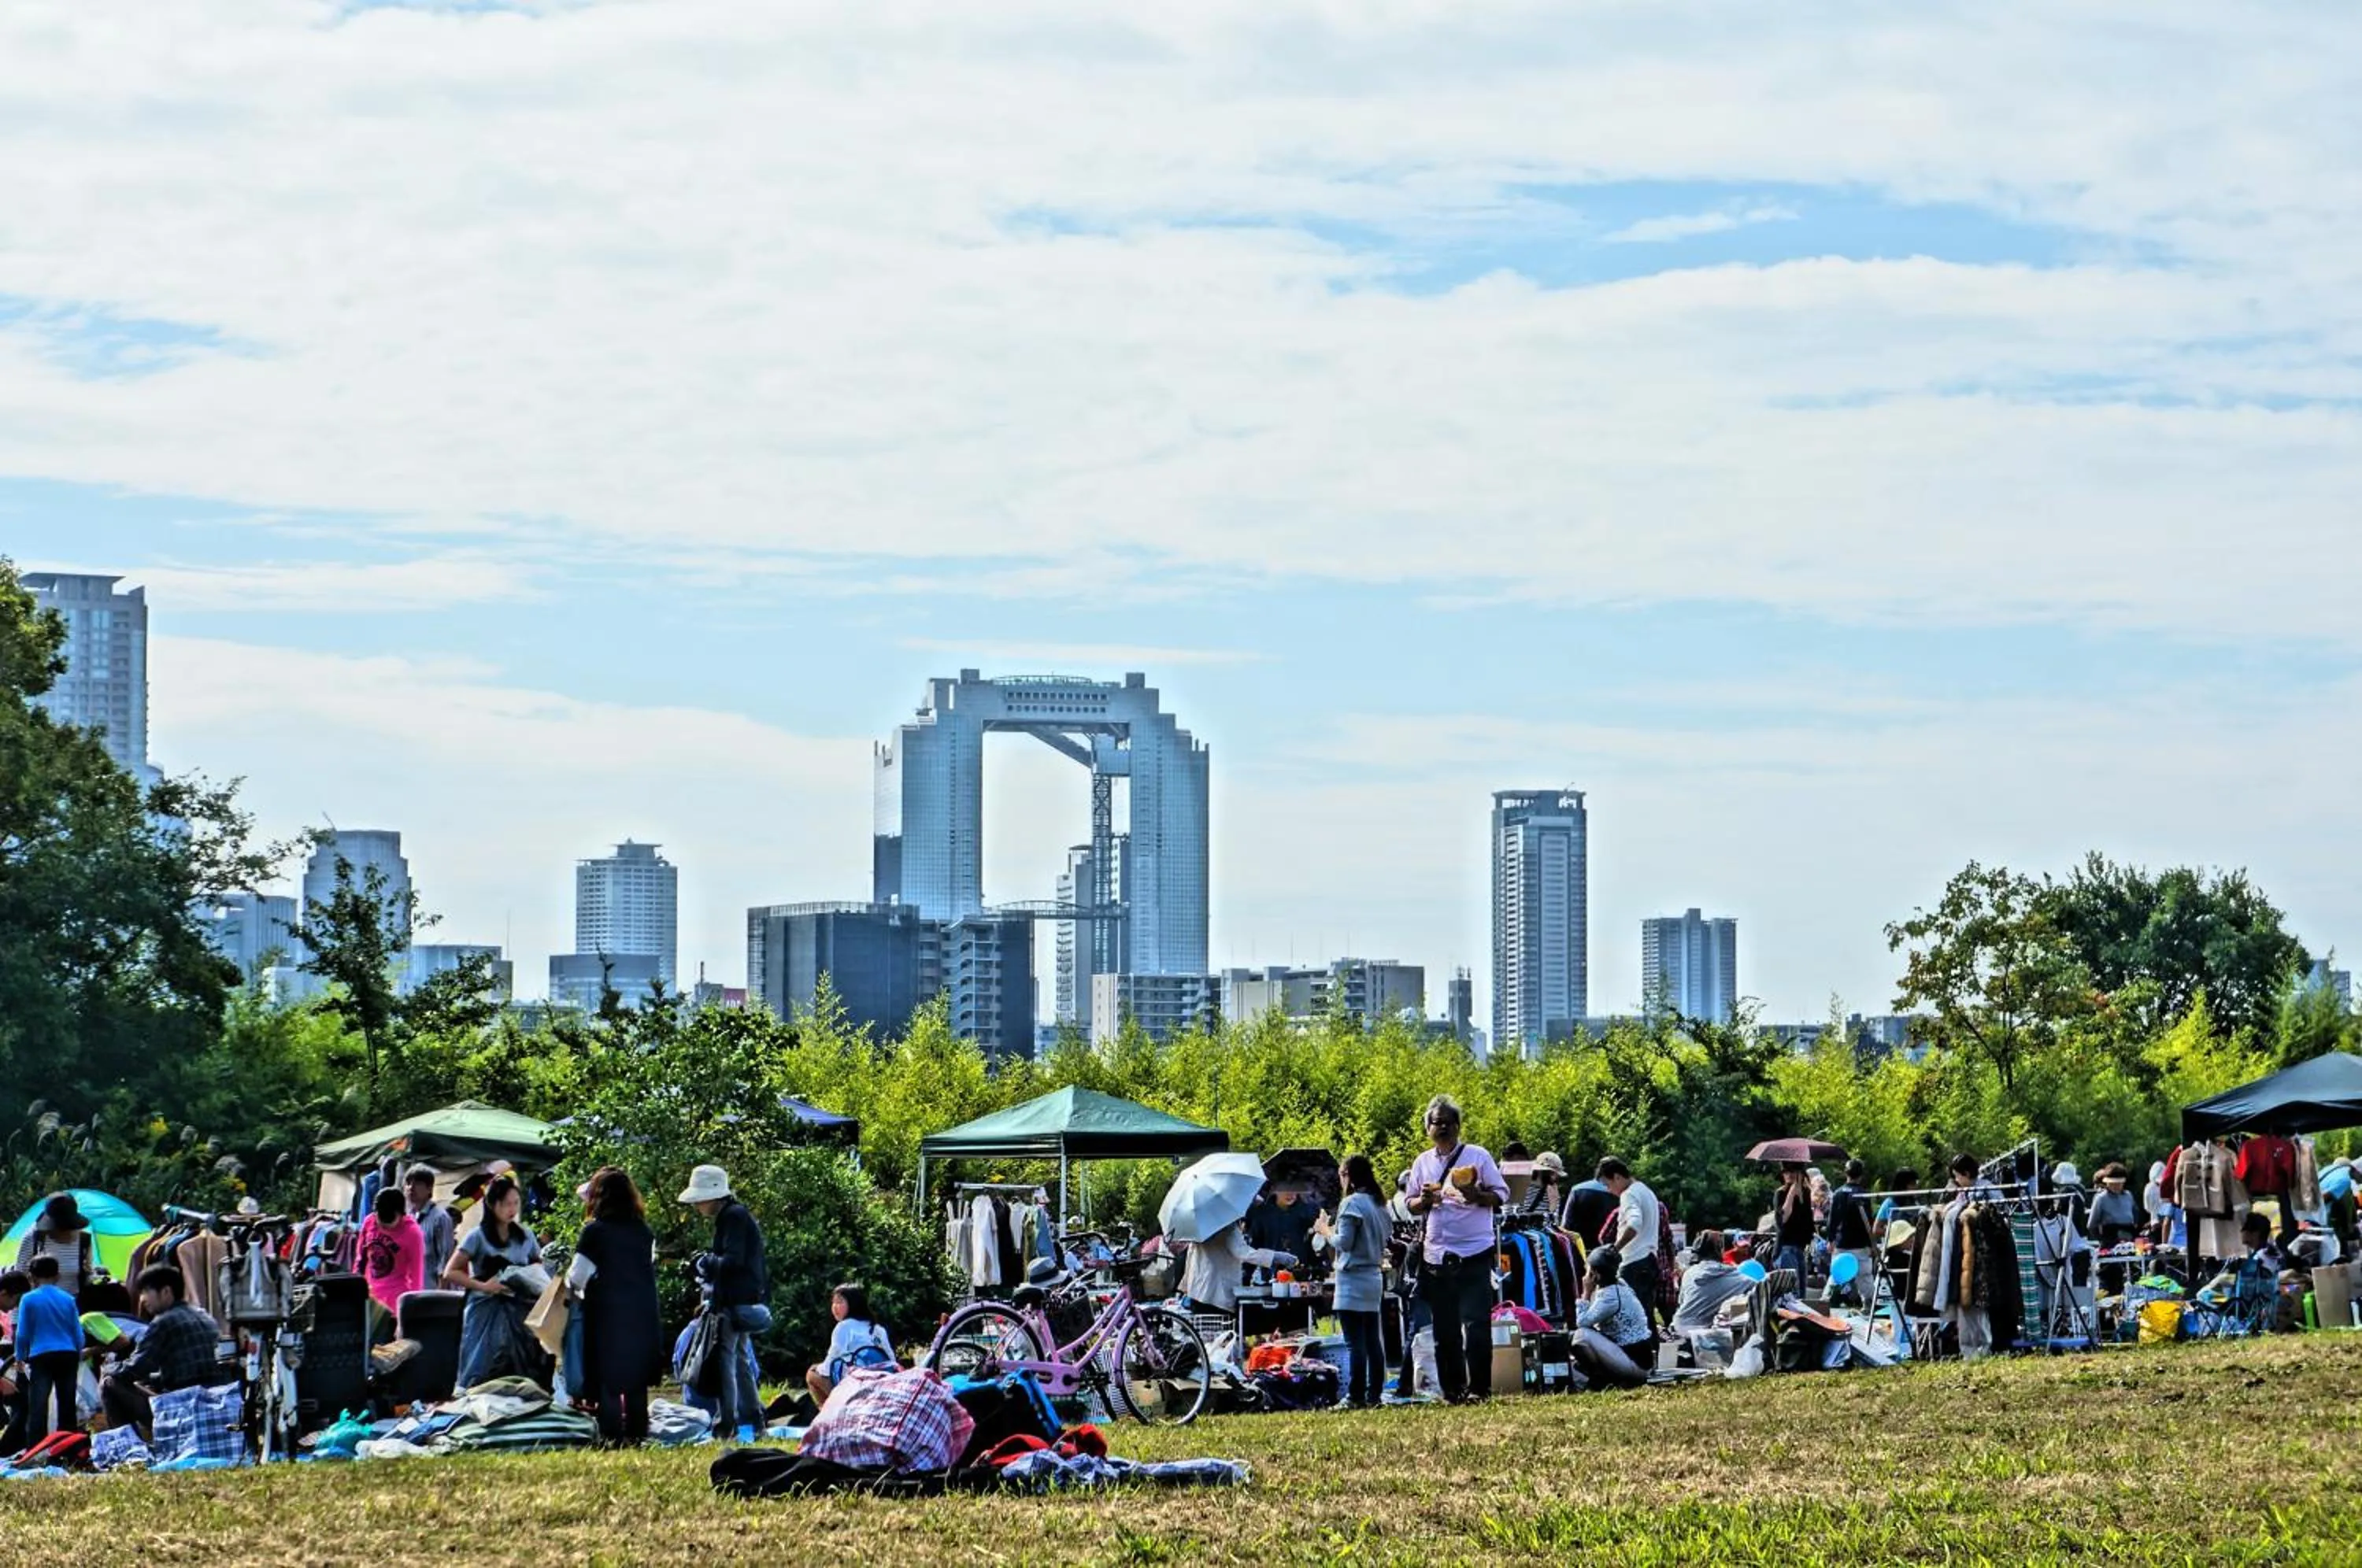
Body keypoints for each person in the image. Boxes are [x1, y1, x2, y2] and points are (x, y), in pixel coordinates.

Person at [1405, 1095, 1509, 1403]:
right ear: (1427, 1128)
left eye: (1449, 1123)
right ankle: (1453, 1390)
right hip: (1435, 1254)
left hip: (1475, 1250)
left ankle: (1480, 1389)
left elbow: (1501, 1195)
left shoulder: (1477, 1156)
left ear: (1458, 1127)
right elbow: (1410, 1203)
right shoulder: (1422, 1162)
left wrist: (1474, 1193)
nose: (1443, 1128)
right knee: (1444, 1329)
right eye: (1437, 1123)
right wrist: (1424, 1201)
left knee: (1477, 1324)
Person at [574, 1167, 664, 1446]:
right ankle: (637, 1433)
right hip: (642, 1310)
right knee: (636, 1377)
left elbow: (578, 1277)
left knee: (608, 1377)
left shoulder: (595, 1232)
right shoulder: (644, 1232)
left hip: (608, 1312)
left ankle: (612, 1434)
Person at [681, 1163, 770, 1442]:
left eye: (699, 1199)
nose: (697, 1206)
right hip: (745, 1298)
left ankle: (726, 1426)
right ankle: (754, 1423)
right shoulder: (736, 1215)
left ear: (712, 1195)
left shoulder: (732, 1217)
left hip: (734, 1302)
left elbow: (733, 1261)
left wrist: (704, 1262)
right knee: (741, 1363)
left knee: (726, 1364)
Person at [96, 1265, 231, 1438]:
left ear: (166, 1292)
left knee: (110, 1382)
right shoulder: (203, 1315)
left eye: (146, 1292)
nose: (143, 1299)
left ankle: (128, 1447)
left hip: (185, 1409)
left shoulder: (163, 1322)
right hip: (216, 1405)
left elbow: (134, 1370)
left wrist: (108, 1368)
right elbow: (188, 1369)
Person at [444, 1174, 545, 1389]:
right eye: (506, 1204)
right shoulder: (477, 1236)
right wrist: (483, 1286)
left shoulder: (525, 1235)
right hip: (484, 1308)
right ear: (491, 1205)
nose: (512, 1209)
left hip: (518, 1308)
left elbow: (538, 1263)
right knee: (480, 1366)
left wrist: (530, 1274)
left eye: (516, 1203)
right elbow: (451, 1272)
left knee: (522, 1366)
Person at [1321, 1154, 1390, 1408]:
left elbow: (1344, 1243)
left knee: (1354, 1343)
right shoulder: (1380, 1204)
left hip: (1352, 1279)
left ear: (1348, 1176)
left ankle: (1355, 1396)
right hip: (1374, 1277)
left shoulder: (1351, 1204)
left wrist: (1325, 1231)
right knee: (1373, 1340)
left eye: (1341, 1175)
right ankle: (1375, 1395)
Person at [1596, 1157, 1668, 1338]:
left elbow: (1634, 1224)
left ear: (1618, 1177)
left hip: (1634, 1262)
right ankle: (1652, 1359)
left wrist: (1615, 1249)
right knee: (1646, 1315)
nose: (1609, 1190)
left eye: (1608, 1184)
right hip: (1650, 1260)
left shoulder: (1629, 1194)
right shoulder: (1647, 1191)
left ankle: (1640, 1361)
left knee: (1634, 1317)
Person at [17, 1256, 83, 1441]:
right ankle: (68, 1446)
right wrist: (78, 1352)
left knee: (38, 1404)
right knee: (67, 1402)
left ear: (32, 1277)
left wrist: (20, 1357)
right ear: (58, 1275)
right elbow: (78, 1332)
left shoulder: (28, 1299)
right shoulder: (68, 1299)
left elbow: (23, 1333)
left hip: (41, 1356)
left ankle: (37, 1448)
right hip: (68, 1354)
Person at [1571, 1245, 1652, 1389]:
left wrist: (1586, 1292)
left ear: (1595, 1274)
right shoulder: (1619, 1285)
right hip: (1635, 1358)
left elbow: (1582, 1322)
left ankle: (1599, 1379)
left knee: (1581, 1336)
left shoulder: (1611, 1296)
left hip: (1635, 1363)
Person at [805, 1282, 894, 1404]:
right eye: (833, 1302)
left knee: (811, 1373)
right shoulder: (878, 1329)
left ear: (853, 1304)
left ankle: (828, 1413)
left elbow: (831, 1362)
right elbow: (891, 1360)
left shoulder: (844, 1327)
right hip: (879, 1383)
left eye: (840, 1302)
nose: (835, 1307)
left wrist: (818, 1369)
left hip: (854, 1386)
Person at [1179, 1219, 1294, 1313]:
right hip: (1217, 1294)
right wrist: (1276, 1257)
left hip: (1197, 1291)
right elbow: (1243, 1252)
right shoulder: (1227, 1225)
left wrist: (1186, 1286)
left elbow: (1191, 1256)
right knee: (1224, 1337)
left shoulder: (1199, 1225)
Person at [357, 1187, 424, 1341]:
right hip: (370, 1302)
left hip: (394, 1307)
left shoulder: (413, 1233)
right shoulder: (369, 1222)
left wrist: (406, 1319)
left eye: (389, 1221)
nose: (384, 1225)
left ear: (401, 1214)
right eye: (381, 1219)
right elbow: (360, 1259)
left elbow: (417, 1277)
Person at [1672, 1230, 1756, 1336]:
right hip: (1706, 1332)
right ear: (1721, 1250)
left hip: (1680, 1326)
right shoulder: (1736, 1278)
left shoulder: (1689, 1273)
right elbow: (1757, 1285)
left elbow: (1681, 1301)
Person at [15, 1194, 94, 1303]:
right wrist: (18, 1319)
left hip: (71, 1308)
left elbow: (88, 1274)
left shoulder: (84, 1242)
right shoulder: (34, 1239)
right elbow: (18, 1284)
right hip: (39, 1307)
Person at [1824, 1161, 1879, 1305]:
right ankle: (1868, 1303)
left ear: (1846, 1173)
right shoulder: (1864, 1195)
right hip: (1861, 1243)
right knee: (1865, 1276)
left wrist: (1830, 1239)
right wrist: (1872, 1243)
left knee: (1836, 1274)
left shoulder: (1838, 1194)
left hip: (1841, 1242)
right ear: (1861, 1175)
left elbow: (1832, 1219)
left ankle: (1826, 1300)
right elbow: (1868, 1221)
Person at [403, 1166, 456, 1289]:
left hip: (432, 1293)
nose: (411, 1188)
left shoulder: (440, 1218)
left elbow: (445, 1262)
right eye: (408, 1183)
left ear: (429, 1189)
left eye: (417, 1184)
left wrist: (439, 1295)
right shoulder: (409, 1217)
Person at [1772, 1163, 1816, 1281]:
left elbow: (1808, 1221)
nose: (1790, 1175)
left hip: (1801, 1247)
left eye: (1793, 1171)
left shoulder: (1806, 1193)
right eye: (1786, 1172)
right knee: (1791, 1290)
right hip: (1786, 1246)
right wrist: (1792, 1192)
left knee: (1801, 1293)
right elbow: (1783, 1218)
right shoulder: (1781, 1193)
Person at [2086, 1163, 2142, 1247]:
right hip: (2110, 1239)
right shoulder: (2101, 1198)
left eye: (2118, 1184)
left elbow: (2136, 1215)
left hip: (2129, 1238)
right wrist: (2103, 1240)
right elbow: (2091, 1225)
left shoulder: (2128, 1196)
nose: (2115, 1186)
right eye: (2112, 1183)